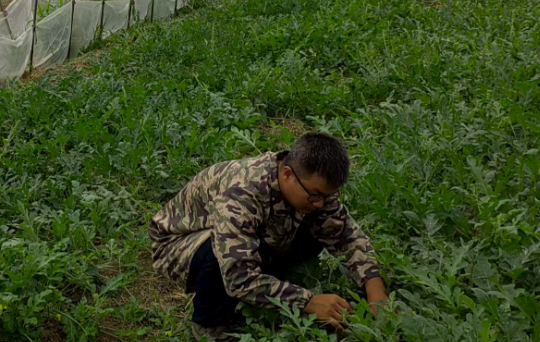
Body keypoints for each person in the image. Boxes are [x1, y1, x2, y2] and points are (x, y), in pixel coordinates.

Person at [149, 132, 388, 341]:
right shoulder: (242, 192)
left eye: (327, 196)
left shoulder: (310, 186)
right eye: (316, 195)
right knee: (222, 252)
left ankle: (268, 278)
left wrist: (375, 289)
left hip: (259, 236)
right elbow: (238, 277)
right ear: (287, 174)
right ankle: (208, 323)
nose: (320, 203)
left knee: (319, 224)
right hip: (178, 244)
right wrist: (307, 301)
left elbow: (345, 235)